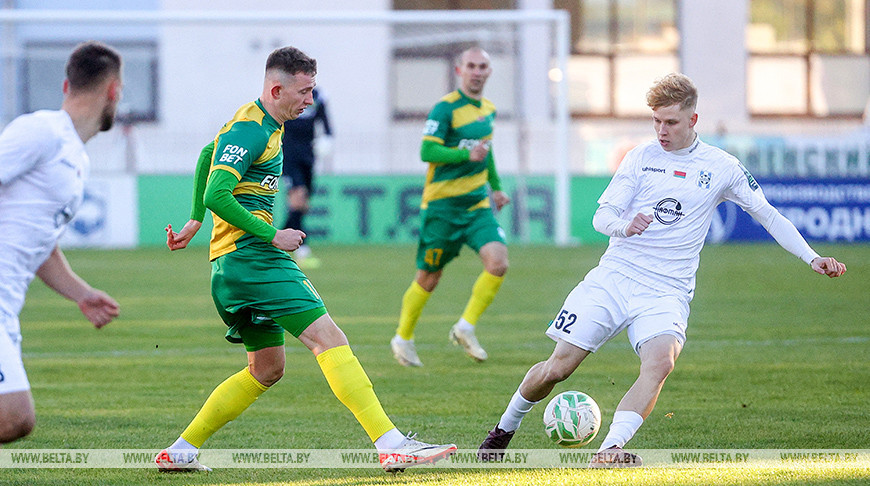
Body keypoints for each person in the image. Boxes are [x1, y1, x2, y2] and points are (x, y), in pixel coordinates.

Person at [477, 73, 847, 467]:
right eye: (656, 121)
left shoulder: (722, 167)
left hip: (667, 290)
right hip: (614, 278)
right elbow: (603, 216)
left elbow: (769, 216)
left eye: (670, 122)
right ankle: (503, 429)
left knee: (660, 363)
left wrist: (812, 257)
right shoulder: (640, 158)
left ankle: (610, 449)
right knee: (559, 367)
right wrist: (625, 225)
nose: (661, 131)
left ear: (693, 119)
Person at [157, 46, 455, 473]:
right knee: (328, 338)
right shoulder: (252, 130)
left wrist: (193, 221)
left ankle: (181, 451)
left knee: (266, 369)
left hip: (228, 267)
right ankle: (391, 444)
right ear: (277, 89)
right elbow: (217, 192)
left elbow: (209, 154)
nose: (310, 101)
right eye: (305, 91)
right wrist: (272, 233)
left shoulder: (253, 121)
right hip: (254, 258)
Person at [0, 41, 122, 444]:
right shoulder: (41, 131)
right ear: (114, 92)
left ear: (67, 84)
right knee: (14, 416)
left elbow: (43, 244)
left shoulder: (76, 156)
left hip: (8, 306)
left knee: (12, 418)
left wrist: (81, 294)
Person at [390, 46, 510, 368]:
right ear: (459, 70)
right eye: (470, 66)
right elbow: (427, 151)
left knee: (498, 262)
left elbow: (487, 151)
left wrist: (496, 187)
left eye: (482, 66)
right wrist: (462, 155)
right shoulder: (444, 109)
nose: (476, 71)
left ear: (489, 71)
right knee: (429, 277)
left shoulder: (489, 110)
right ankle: (403, 337)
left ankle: (465, 327)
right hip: (442, 208)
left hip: (476, 206)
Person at [281, 87, 332, 269]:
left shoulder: (317, 97)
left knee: (303, 205)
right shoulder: (287, 95)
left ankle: (274, 241)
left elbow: (325, 122)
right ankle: (303, 250)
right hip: (288, 155)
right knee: (298, 199)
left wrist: (327, 138)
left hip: (308, 157)